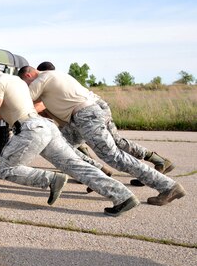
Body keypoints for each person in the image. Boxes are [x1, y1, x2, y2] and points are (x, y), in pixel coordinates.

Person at [0, 59, 139, 216]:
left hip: (30, 129)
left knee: (6, 169)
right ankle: (123, 196)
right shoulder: (15, 80)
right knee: (76, 166)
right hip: (45, 127)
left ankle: (51, 179)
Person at [18, 66, 186, 207]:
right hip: (80, 118)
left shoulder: (43, 77)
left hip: (85, 116)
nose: (29, 85)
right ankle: (96, 173)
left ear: (28, 75)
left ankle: (168, 186)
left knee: (115, 157)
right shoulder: (55, 77)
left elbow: (23, 99)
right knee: (60, 146)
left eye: (26, 83)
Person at [35, 62, 175, 186]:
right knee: (113, 141)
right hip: (97, 106)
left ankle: (96, 171)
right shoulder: (62, 79)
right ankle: (157, 161)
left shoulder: (47, 82)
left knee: (101, 146)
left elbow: (39, 107)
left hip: (88, 111)